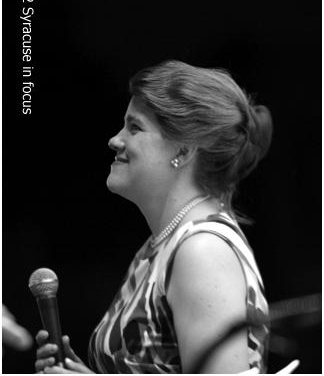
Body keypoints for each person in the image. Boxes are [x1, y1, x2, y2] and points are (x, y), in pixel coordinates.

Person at [35, 60, 273, 374]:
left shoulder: (201, 252)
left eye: (135, 127)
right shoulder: (164, 244)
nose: (115, 140)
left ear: (185, 151)